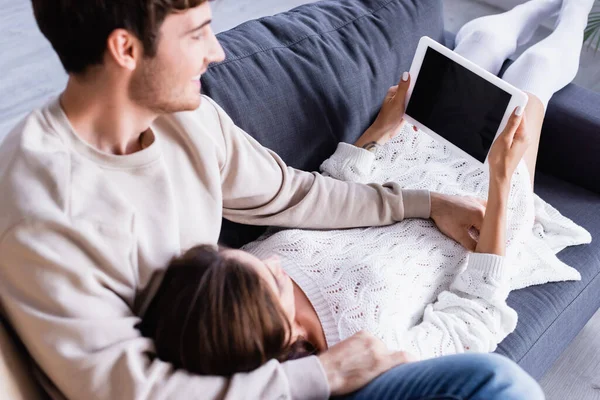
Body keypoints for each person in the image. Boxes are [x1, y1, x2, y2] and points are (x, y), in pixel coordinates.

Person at [0, 0, 590, 397]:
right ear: (127, 50)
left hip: (257, 345)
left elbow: (293, 194)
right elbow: (138, 391)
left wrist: (420, 202)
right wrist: (325, 371)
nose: (217, 52)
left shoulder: (189, 120)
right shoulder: (42, 206)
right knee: (492, 382)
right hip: (263, 376)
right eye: (197, 34)